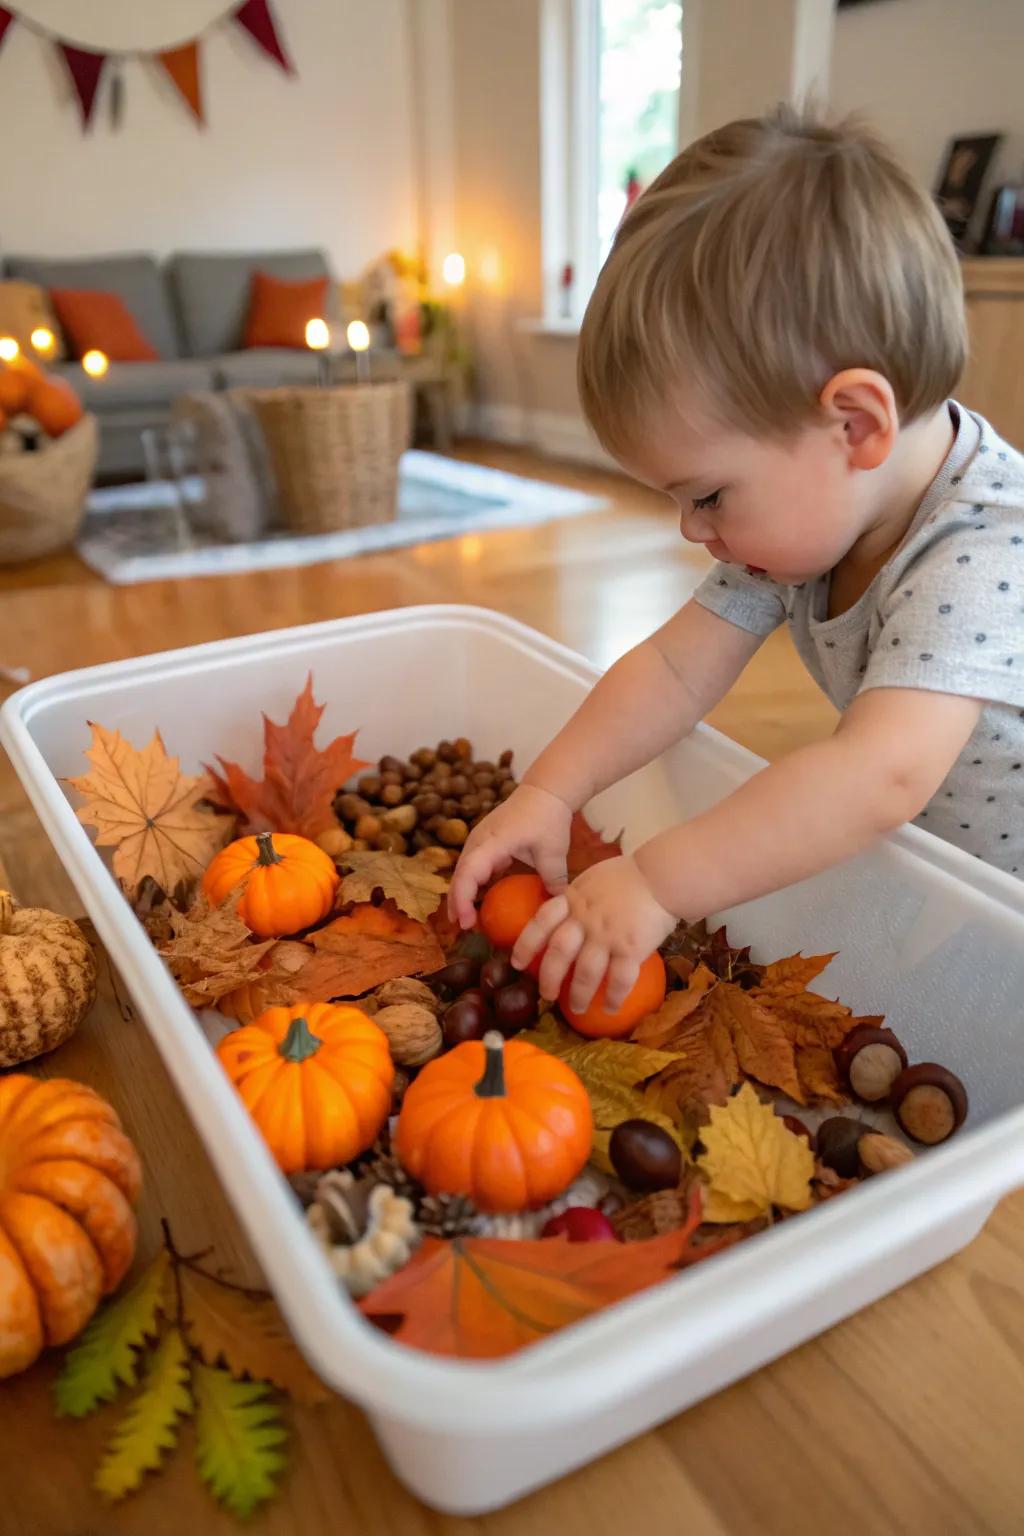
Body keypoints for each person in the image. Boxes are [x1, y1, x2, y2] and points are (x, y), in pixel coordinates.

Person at [448, 105, 1024, 1016]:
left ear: (855, 426)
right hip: (961, 854)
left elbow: (879, 778)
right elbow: (677, 668)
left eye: (707, 495)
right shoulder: (809, 521)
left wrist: (661, 883)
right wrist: (551, 789)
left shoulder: (987, 554)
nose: (690, 530)